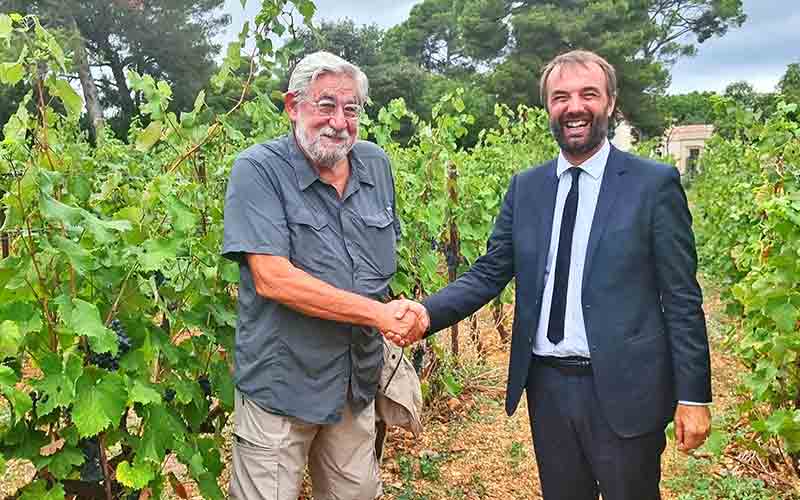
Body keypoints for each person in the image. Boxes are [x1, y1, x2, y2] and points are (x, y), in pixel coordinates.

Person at [389, 50, 712, 500]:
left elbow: (681, 297)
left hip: (625, 386)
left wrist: (694, 396)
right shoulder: (528, 187)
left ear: (611, 103)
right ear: (548, 108)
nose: (574, 106)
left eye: (588, 94)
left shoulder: (652, 184)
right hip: (548, 386)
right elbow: (489, 272)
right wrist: (425, 313)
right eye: (560, 97)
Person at [221, 51, 420, 500]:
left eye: (351, 110)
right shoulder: (258, 170)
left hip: (355, 382)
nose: (339, 122)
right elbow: (273, 278)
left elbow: (378, 267)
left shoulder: (376, 166)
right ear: (293, 106)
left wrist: (402, 314)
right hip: (282, 385)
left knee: (357, 493)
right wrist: (379, 314)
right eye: (325, 105)